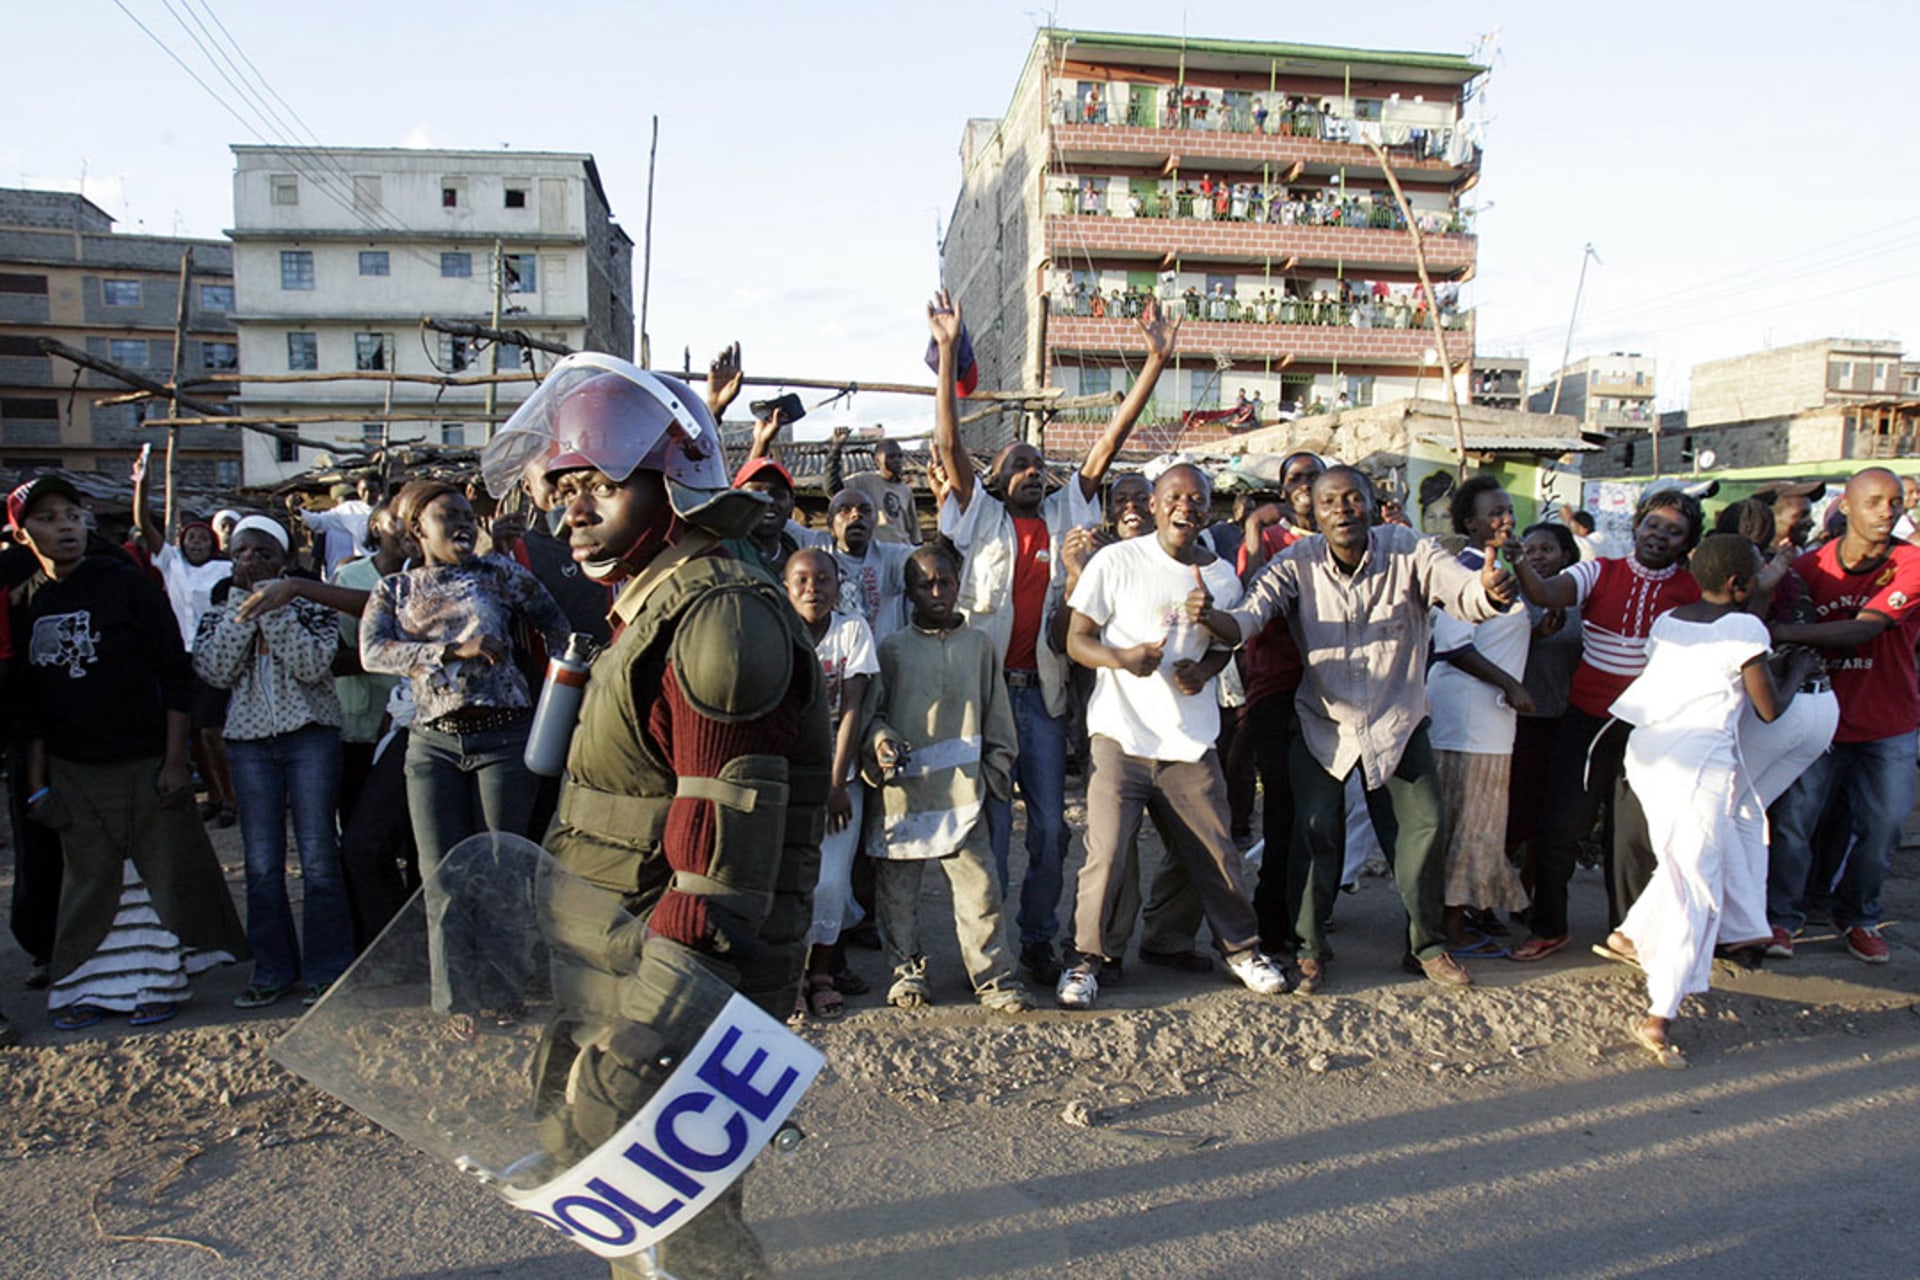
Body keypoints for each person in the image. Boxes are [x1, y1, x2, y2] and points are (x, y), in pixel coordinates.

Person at [480, 354, 829, 1279]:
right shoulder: (650, 607)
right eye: (565, 488)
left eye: (599, 483)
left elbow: (717, 878)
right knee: (634, 1242)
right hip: (616, 967)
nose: (575, 509)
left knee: (688, 1241)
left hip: (675, 993)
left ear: (671, 483)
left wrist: (645, 1037)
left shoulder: (720, 618)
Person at [930, 286, 1178, 985]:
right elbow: (949, 441)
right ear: (997, 479)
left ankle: (1037, 939)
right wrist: (948, 353)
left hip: (1040, 700)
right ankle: (991, 951)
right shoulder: (975, 518)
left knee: (1047, 830)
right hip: (980, 699)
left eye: (1039, 463)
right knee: (984, 831)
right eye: (1018, 465)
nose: (1031, 471)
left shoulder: (1071, 510)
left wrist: (1154, 364)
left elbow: (1107, 444)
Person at [1192, 466, 1519, 992]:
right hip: (1326, 724)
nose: (1342, 509)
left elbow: (1465, 594)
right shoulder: (1294, 564)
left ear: (1370, 502)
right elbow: (1248, 619)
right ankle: (1309, 949)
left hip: (1399, 721)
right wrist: (1212, 618)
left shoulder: (1409, 549)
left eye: (1352, 498)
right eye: (1329, 502)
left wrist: (1490, 592)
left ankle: (1428, 945)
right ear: (1313, 514)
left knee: (1423, 829)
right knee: (1314, 833)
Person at [10, 475, 245, 1030]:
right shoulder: (22, 603)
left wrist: (173, 762)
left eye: (71, 513)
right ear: (22, 537)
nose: (65, 525)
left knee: (151, 881)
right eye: (47, 518)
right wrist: (40, 784)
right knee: (90, 882)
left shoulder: (126, 585)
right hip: (72, 770)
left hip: (142, 760)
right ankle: (88, 988)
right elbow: (29, 704)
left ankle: (154, 985)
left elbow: (172, 675)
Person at [1056, 464, 1287, 1008]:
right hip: (1120, 736)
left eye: (1197, 498)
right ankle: (1084, 960)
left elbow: (1226, 642)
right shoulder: (1116, 561)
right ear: (1156, 506)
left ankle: (1242, 949)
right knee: (1107, 854)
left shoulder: (1222, 576)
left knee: (1216, 851)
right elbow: (1076, 639)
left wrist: (1203, 672)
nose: (1186, 506)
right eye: (1175, 497)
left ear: (1209, 509)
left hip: (1188, 742)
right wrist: (1123, 659)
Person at [1599, 535, 1820, 1067]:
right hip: (1697, 765)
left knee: (1682, 863)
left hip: (1649, 753)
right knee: (1698, 883)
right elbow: (1768, 709)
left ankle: (1630, 936)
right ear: (1740, 585)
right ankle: (1661, 1010)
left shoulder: (1670, 619)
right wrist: (1797, 671)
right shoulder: (1746, 627)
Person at [359, 478, 570, 1018]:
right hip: (432, 745)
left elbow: (555, 622)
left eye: (465, 514)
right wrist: (453, 649)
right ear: (417, 530)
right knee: (441, 875)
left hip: (503, 738)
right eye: (445, 515)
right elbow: (373, 653)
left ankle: (505, 992)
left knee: (502, 870)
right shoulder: (394, 591)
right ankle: (456, 1001)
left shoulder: (498, 573)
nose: (461, 523)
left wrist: (561, 686)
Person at [1509, 488, 1705, 961]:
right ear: (1636, 526)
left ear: (1686, 542)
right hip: (1587, 721)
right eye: (1653, 525)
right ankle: (1550, 927)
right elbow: (1544, 591)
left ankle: (1630, 933)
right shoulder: (1600, 571)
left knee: (1633, 838)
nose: (1660, 536)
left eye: (1673, 531)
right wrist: (1519, 562)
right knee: (1561, 827)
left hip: (1653, 730)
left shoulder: (1692, 590)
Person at [863, 542, 1031, 1012]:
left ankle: (994, 978)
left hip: (963, 797)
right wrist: (880, 742)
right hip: (903, 798)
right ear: (909, 592)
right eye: (925, 584)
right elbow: (873, 714)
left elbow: (998, 718)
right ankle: (907, 973)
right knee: (898, 895)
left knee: (981, 890)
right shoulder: (892, 650)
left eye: (945, 582)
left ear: (959, 585)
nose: (937, 592)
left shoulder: (979, 646)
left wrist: (996, 774)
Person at [193, 516, 352, 1009]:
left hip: (310, 740)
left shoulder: (312, 607)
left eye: (262, 553)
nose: (250, 562)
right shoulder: (220, 611)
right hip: (248, 744)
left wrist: (275, 607)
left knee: (319, 857)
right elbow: (215, 672)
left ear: (284, 560)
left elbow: (311, 665)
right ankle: (273, 969)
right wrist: (247, 612)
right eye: (240, 553)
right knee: (262, 865)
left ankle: (328, 969)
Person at [1763, 467, 1920, 965]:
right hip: (1819, 721)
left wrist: (1785, 632)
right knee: (1795, 822)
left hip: (1889, 722)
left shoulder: (1911, 564)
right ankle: (1782, 919)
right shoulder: (1811, 568)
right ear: (1847, 506)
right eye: (1874, 501)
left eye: (1895, 502)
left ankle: (1858, 916)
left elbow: (1864, 630)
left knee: (1884, 825)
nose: (1887, 511)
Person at [1427, 477, 1532, 953]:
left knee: (1482, 821)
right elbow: (1452, 646)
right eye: (1495, 512)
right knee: (1470, 822)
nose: (1506, 519)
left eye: (1509, 510)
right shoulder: (1463, 573)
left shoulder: (1502, 569)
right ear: (1469, 522)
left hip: (1491, 716)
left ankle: (1469, 909)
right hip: (1468, 715)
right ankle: (1450, 926)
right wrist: (1511, 685)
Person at [782, 548, 877, 1019]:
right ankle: (791, 976)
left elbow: (853, 710)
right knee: (789, 881)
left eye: (822, 579)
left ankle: (822, 971)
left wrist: (836, 783)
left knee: (831, 882)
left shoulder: (852, 631)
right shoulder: (778, 632)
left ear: (838, 585)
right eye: (801, 580)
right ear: (786, 586)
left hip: (841, 780)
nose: (812, 589)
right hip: (787, 780)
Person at [130, 450, 237, 827]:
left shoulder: (226, 568)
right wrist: (141, 484)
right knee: (192, 734)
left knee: (212, 732)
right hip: (181, 655)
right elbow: (143, 523)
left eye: (201, 539)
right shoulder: (172, 563)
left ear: (212, 542)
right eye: (189, 538)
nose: (195, 544)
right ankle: (213, 794)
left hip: (216, 657)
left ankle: (230, 800)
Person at [1505, 522, 1584, 885]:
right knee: (1515, 812)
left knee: (1550, 816)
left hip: (1564, 718)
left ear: (1566, 555)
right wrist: (1538, 635)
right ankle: (1487, 895)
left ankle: (1530, 892)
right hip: (1520, 721)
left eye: (1546, 550)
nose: (1538, 556)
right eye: (1531, 549)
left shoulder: (1580, 599)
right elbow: (1500, 653)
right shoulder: (1512, 597)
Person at [834, 430, 922, 545]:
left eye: (899, 456)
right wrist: (836, 449)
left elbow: (914, 529)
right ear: (877, 461)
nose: (897, 460)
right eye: (891, 456)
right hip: (878, 552)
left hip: (903, 551)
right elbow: (834, 488)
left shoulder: (905, 490)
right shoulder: (865, 481)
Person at [293, 475, 382, 579]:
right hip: (361, 569)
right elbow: (320, 521)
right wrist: (299, 512)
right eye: (364, 490)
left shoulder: (388, 509)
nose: (367, 495)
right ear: (358, 490)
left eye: (372, 491)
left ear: (379, 491)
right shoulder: (349, 510)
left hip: (384, 568)